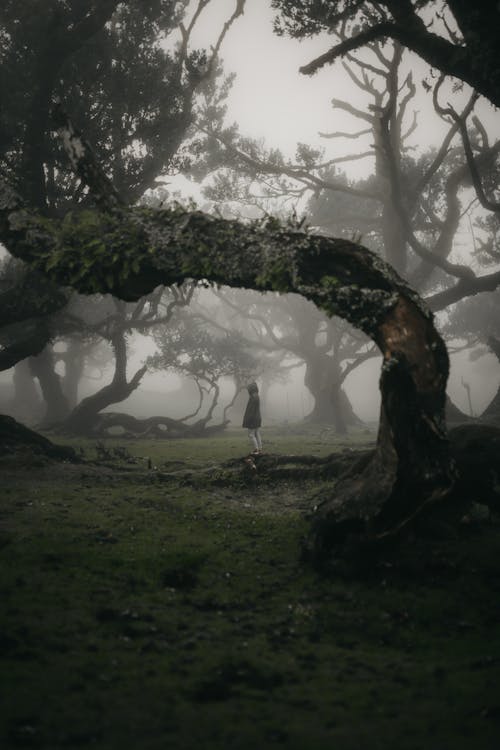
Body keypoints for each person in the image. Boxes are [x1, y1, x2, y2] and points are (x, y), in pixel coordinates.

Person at [242, 381, 263, 455]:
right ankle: (260, 449)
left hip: (253, 418)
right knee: (257, 433)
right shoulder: (257, 396)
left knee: (251, 434)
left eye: (249, 389)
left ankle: (256, 450)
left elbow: (250, 410)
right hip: (258, 417)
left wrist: (248, 420)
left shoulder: (253, 397)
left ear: (251, 389)